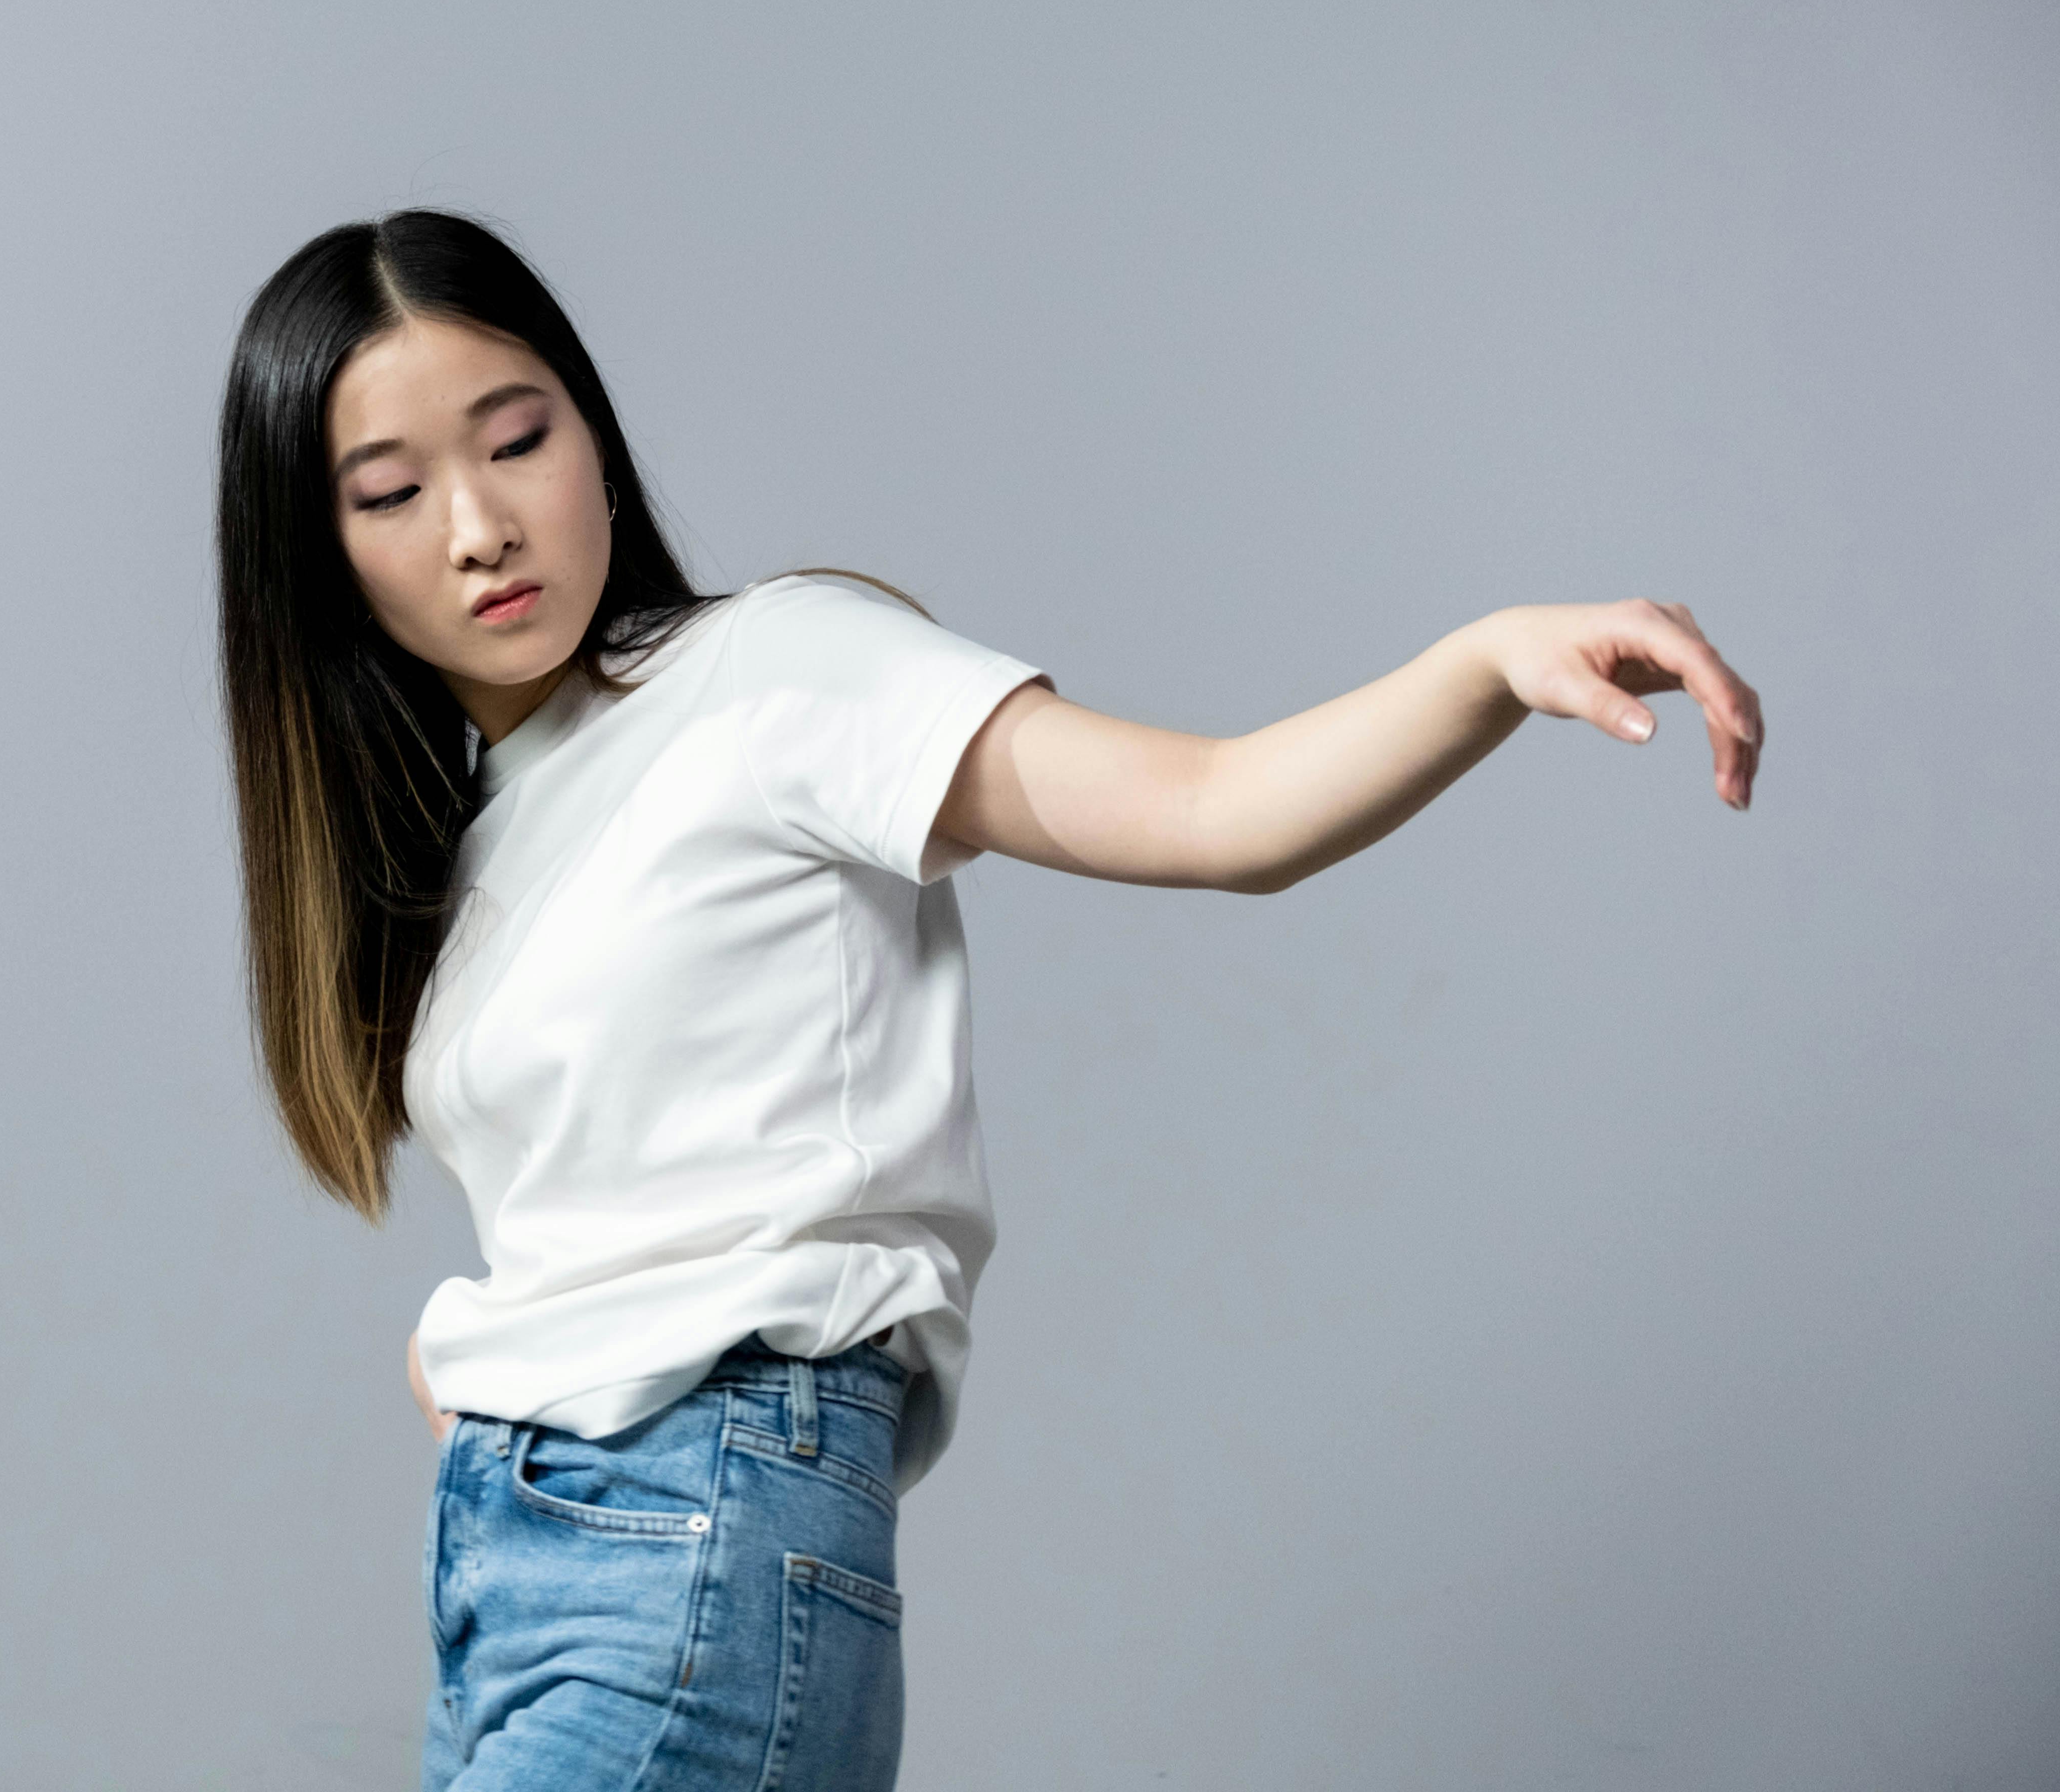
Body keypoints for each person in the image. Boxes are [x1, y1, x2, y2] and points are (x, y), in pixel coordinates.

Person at [211, 210, 1763, 1792]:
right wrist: (498, 1400)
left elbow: (1215, 809)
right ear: (317, 558)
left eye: (518, 439)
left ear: (594, 443)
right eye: (392, 493)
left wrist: (1486, 663)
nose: (478, 526)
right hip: (512, 1582)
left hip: (698, 1545)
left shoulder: (771, 675)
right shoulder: (464, 850)